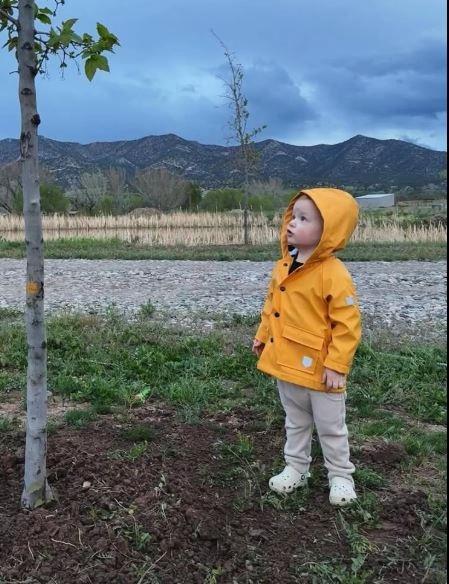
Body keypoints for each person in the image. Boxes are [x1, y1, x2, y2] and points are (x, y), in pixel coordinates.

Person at [252, 188, 362, 507]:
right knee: (295, 421)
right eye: (292, 216)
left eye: (303, 219)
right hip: (286, 364)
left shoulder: (333, 273)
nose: (291, 224)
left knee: (331, 427)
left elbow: (347, 324)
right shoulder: (283, 266)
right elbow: (272, 306)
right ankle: (296, 468)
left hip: (322, 372)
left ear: (329, 230)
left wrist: (337, 365)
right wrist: (263, 335)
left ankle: (340, 476)